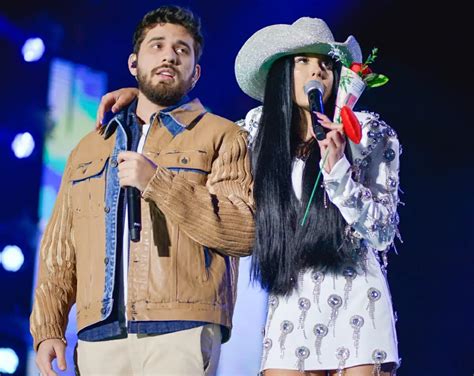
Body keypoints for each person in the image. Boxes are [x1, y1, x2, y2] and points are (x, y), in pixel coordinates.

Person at [98, 16, 401, 376]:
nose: (316, 72)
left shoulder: (366, 132)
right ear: (280, 73)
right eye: (302, 62)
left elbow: (382, 232)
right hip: (290, 295)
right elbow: (199, 135)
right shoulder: (256, 130)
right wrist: (144, 102)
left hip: (356, 296)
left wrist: (338, 171)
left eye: (325, 65)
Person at [30, 5, 255, 376]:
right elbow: (59, 247)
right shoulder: (89, 147)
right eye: (158, 46)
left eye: (182, 50)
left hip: (182, 326)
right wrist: (48, 327)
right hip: (100, 334)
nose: (169, 55)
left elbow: (243, 230)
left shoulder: (224, 136)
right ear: (134, 63)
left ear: (195, 73)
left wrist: (159, 183)